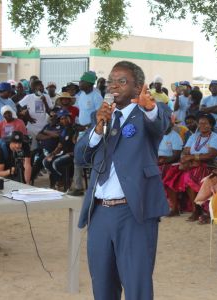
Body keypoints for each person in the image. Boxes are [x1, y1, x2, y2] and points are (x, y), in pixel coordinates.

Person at [74, 61, 171, 299]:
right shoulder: (104, 115)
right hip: (99, 212)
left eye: (122, 81)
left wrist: (150, 108)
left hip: (133, 211)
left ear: (138, 87)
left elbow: (161, 125)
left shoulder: (147, 113)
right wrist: (97, 128)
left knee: (137, 283)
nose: (114, 86)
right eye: (111, 81)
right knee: (103, 283)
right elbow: (80, 155)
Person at [165, 113, 217, 222]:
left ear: (210, 125)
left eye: (205, 123)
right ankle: (180, 207)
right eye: (200, 123)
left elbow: (210, 155)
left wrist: (193, 157)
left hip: (211, 165)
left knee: (188, 176)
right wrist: (189, 158)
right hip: (193, 165)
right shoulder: (194, 136)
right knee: (173, 174)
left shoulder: (216, 138)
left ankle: (197, 209)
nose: (201, 125)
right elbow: (185, 151)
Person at [69, 71, 103, 196]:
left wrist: (85, 127)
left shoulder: (97, 97)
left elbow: (100, 118)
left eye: (82, 81)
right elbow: (81, 113)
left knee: (94, 159)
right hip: (82, 133)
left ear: (89, 83)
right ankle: (78, 186)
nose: (80, 83)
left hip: (93, 133)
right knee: (77, 158)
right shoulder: (81, 95)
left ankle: (95, 188)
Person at [43, 110, 77, 190]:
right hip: (63, 153)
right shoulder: (63, 130)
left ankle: (66, 181)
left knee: (56, 163)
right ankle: (60, 180)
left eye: (65, 118)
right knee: (46, 161)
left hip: (72, 154)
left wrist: (74, 152)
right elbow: (60, 145)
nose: (64, 120)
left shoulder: (75, 129)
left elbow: (77, 143)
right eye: (61, 119)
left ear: (69, 118)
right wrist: (52, 154)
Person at [158, 118, 184, 216]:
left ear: (171, 124)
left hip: (171, 164)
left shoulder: (175, 136)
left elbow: (176, 155)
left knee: (168, 181)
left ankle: (175, 208)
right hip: (159, 162)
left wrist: (161, 162)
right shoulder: (157, 135)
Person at [18, 80, 53, 150]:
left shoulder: (46, 96)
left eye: (42, 87)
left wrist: (45, 102)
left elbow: (49, 112)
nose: (42, 88)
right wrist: (27, 116)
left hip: (43, 127)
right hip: (32, 128)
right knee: (32, 148)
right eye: (40, 87)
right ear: (34, 89)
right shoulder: (29, 97)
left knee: (43, 148)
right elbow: (18, 106)